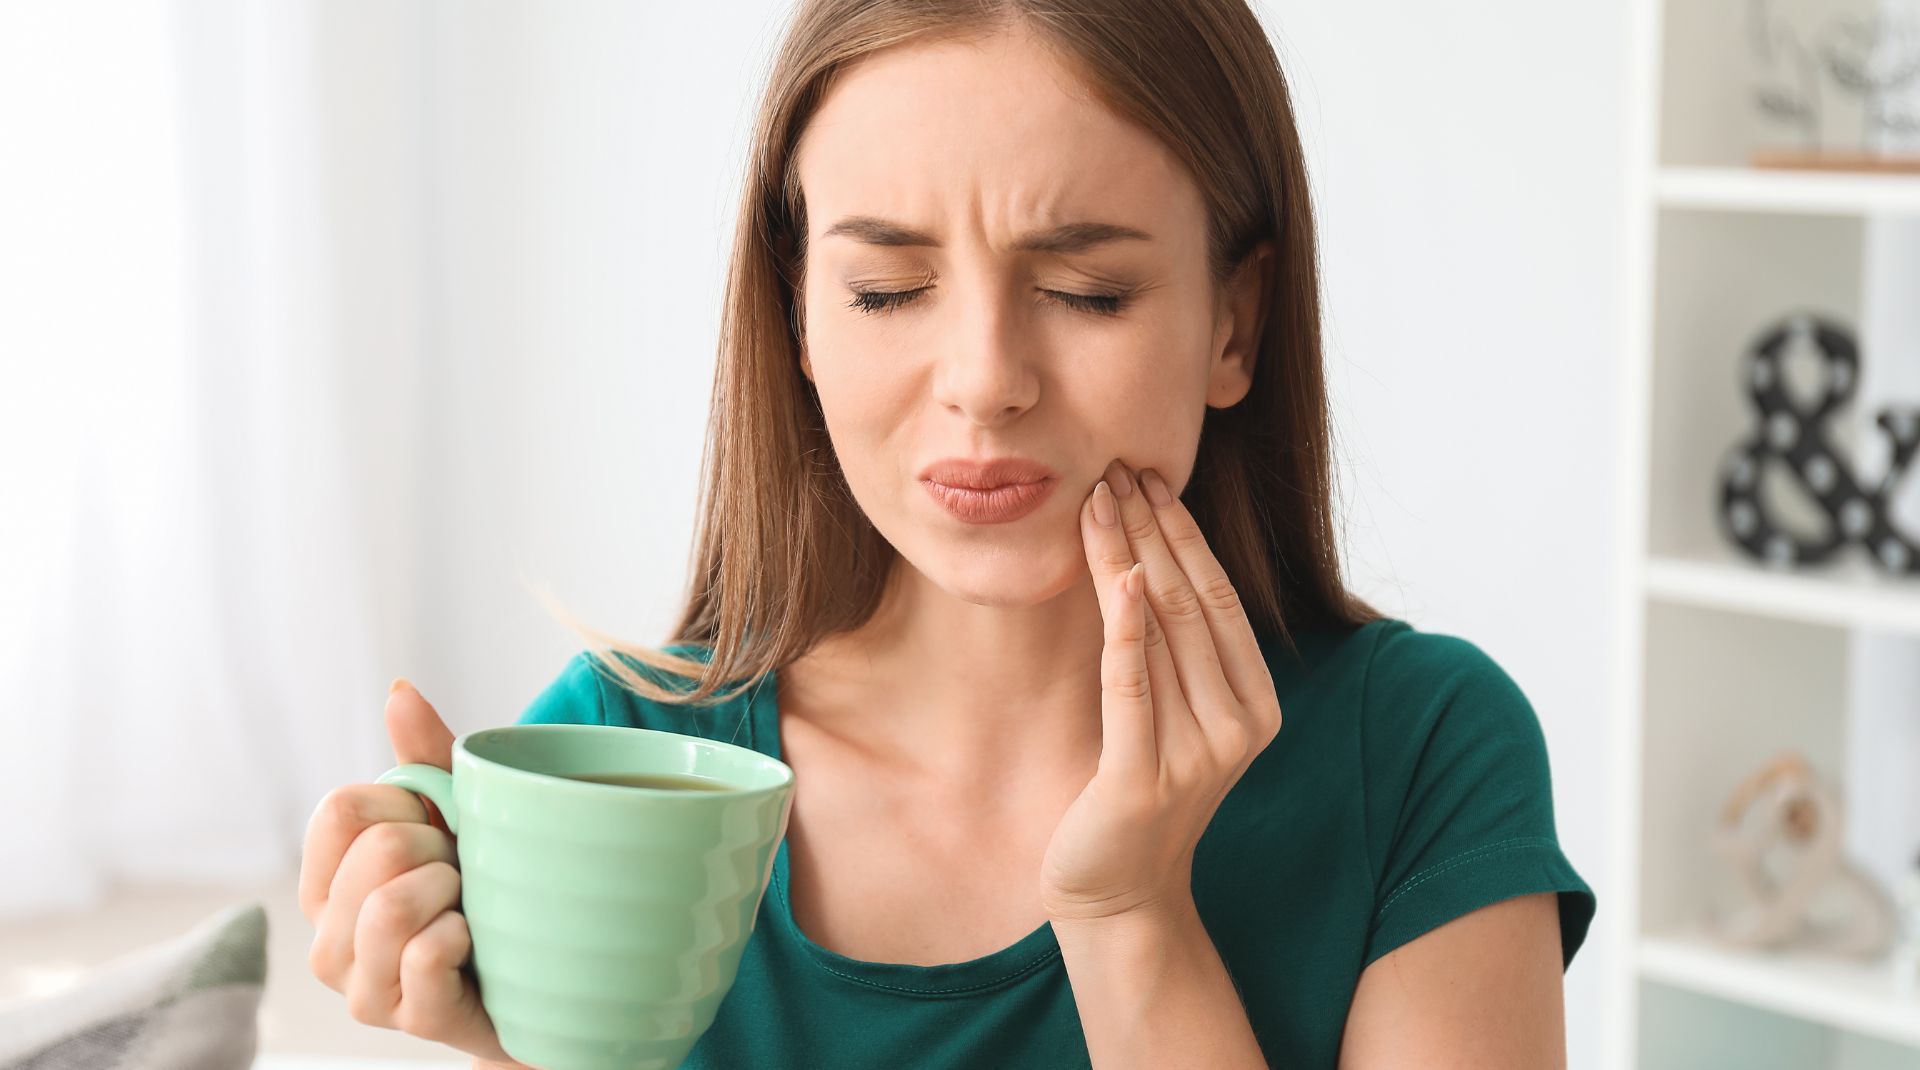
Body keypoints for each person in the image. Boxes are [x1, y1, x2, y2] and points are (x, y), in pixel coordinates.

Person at [299, 1, 1597, 1066]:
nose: (985, 379)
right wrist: (519, 1036)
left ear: (1232, 325)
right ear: (800, 318)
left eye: (1087, 290)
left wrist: (1132, 917)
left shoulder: (1424, 754)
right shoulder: (632, 760)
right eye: (888, 288)